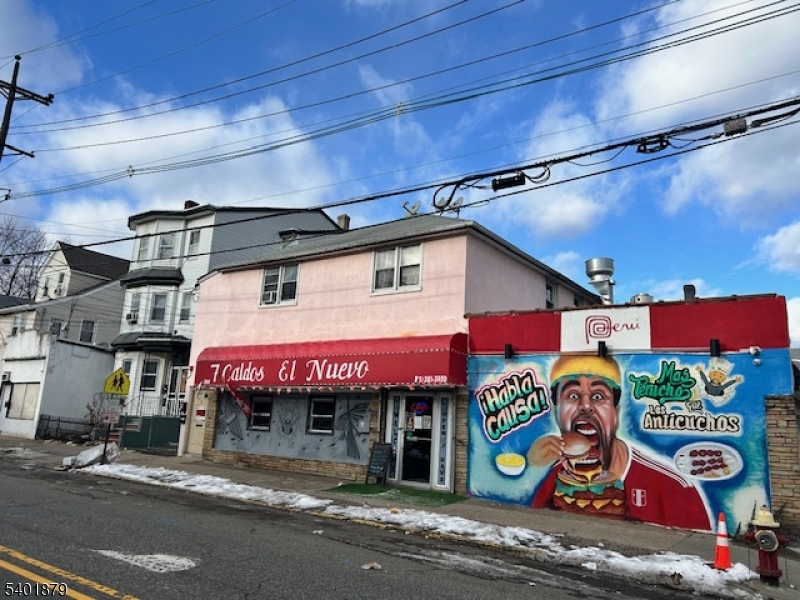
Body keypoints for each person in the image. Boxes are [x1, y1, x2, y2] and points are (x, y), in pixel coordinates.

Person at [528, 354, 712, 531]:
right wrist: (533, 467)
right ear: (557, 413)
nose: (586, 406)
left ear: (615, 412)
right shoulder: (552, 476)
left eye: (598, 396)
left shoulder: (674, 488)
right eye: (572, 396)